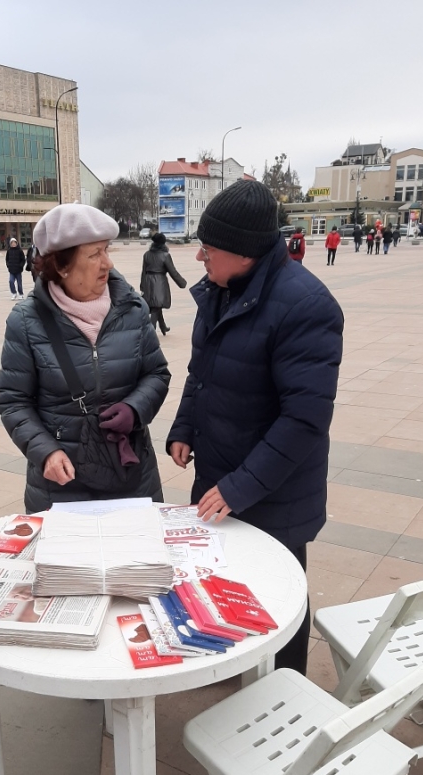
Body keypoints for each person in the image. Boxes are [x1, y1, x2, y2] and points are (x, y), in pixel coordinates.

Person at [167, 180, 343, 676]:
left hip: (274, 492)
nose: (199, 256)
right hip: (220, 478)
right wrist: (184, 426)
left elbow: (305, 419)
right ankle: (231, 668)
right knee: (225, 587)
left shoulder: (307, 306)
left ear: (244, 253)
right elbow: (201, 374)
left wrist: (240, 486)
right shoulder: (220, 291)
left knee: (280, 598)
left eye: (208, 249)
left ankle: (285, 686)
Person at [0, 203, 170, 513]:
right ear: (61, 266)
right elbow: (13, 401)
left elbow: (156, 374)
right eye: (94, 254)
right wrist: (44, 452)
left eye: (107, 250)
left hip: (130, 474)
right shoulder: (25, 321)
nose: (107, 263)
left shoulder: (133, 308)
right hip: (61, 484)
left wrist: (135, 408)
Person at [140, 232, 187, 335]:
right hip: (159, 282)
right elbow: (173, 271)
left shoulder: (147, 254)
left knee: (155, 304)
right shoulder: (165, 256)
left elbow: (143, 271)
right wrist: (182, 283)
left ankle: (163, 326)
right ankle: (151, 331)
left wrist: (142, 285)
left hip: (148, 281)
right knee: (156, 306)